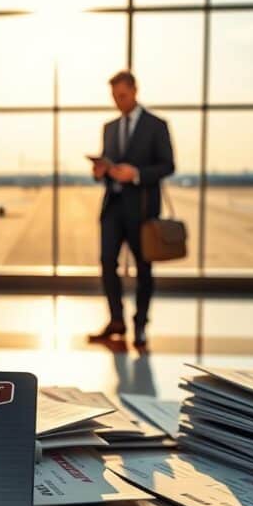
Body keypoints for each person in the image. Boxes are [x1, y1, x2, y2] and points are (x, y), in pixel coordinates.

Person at [88, 71, 175, 349]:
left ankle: (140, 325)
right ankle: (117, 321)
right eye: (114, 97)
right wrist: (101, 171)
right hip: (112, 207)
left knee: (144, 269)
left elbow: (167, 165)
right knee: (106, 263)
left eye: (122, 96)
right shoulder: (110, 127)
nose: (118, 101)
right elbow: (107, 166)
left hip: (142, 210)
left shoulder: (156, 125)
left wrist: (136, 174)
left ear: (135, 91)